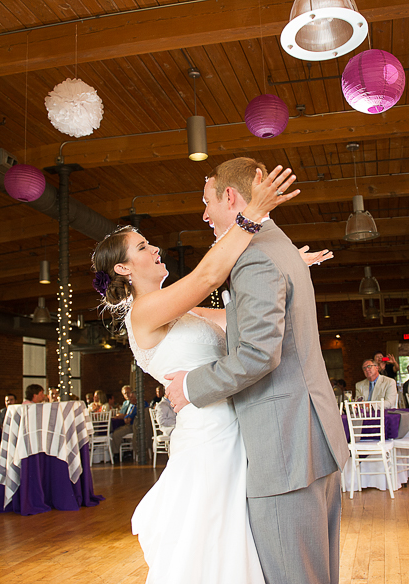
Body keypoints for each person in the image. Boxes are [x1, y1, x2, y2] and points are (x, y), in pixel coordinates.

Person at [93, 159, 343, 583]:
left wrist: (286, 263)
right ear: (123, 269)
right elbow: (210, 273)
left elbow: (237, 314)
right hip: (209, 436)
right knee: (210, 549)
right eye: (142, 248)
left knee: (249, 549)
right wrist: (252, 217)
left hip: (244, 434)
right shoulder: (145, 311)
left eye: (149, 243)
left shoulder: (182, 307)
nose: (154, 249)